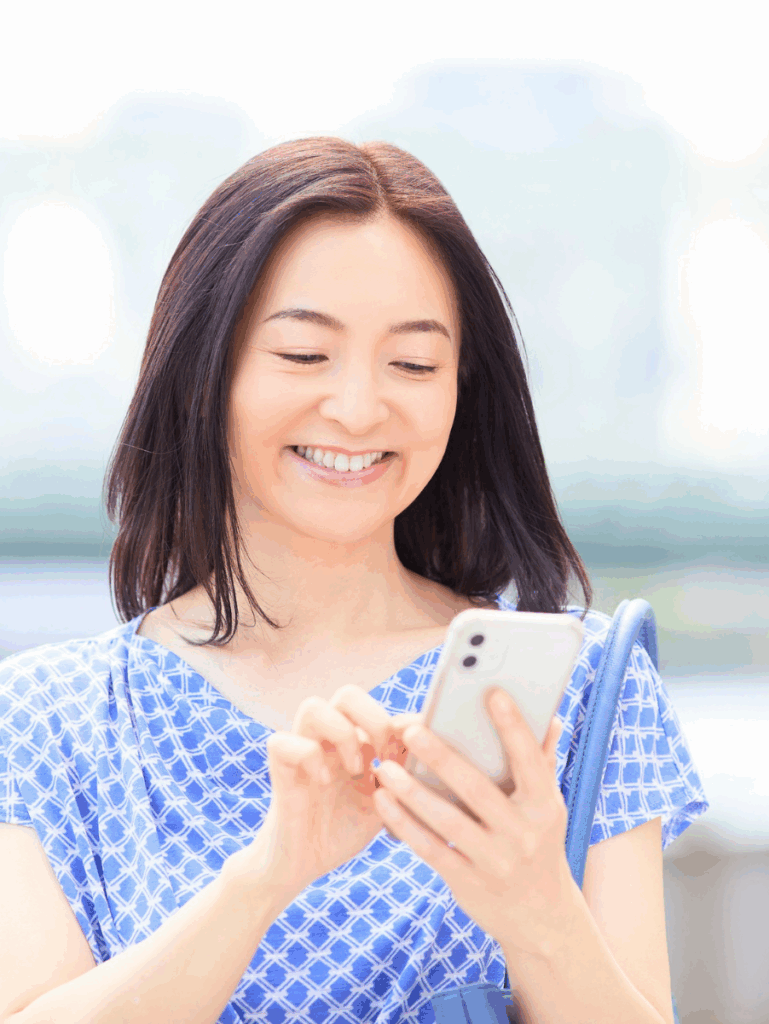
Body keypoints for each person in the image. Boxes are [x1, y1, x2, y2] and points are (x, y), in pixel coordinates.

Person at [0, 137, 708, 1024]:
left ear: (462, 390)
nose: (360, 408)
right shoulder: (44, 719)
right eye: (304, 355)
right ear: (202, 372)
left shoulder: (580, 687)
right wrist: (267, 876)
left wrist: (536, 908)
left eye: (413, 364)